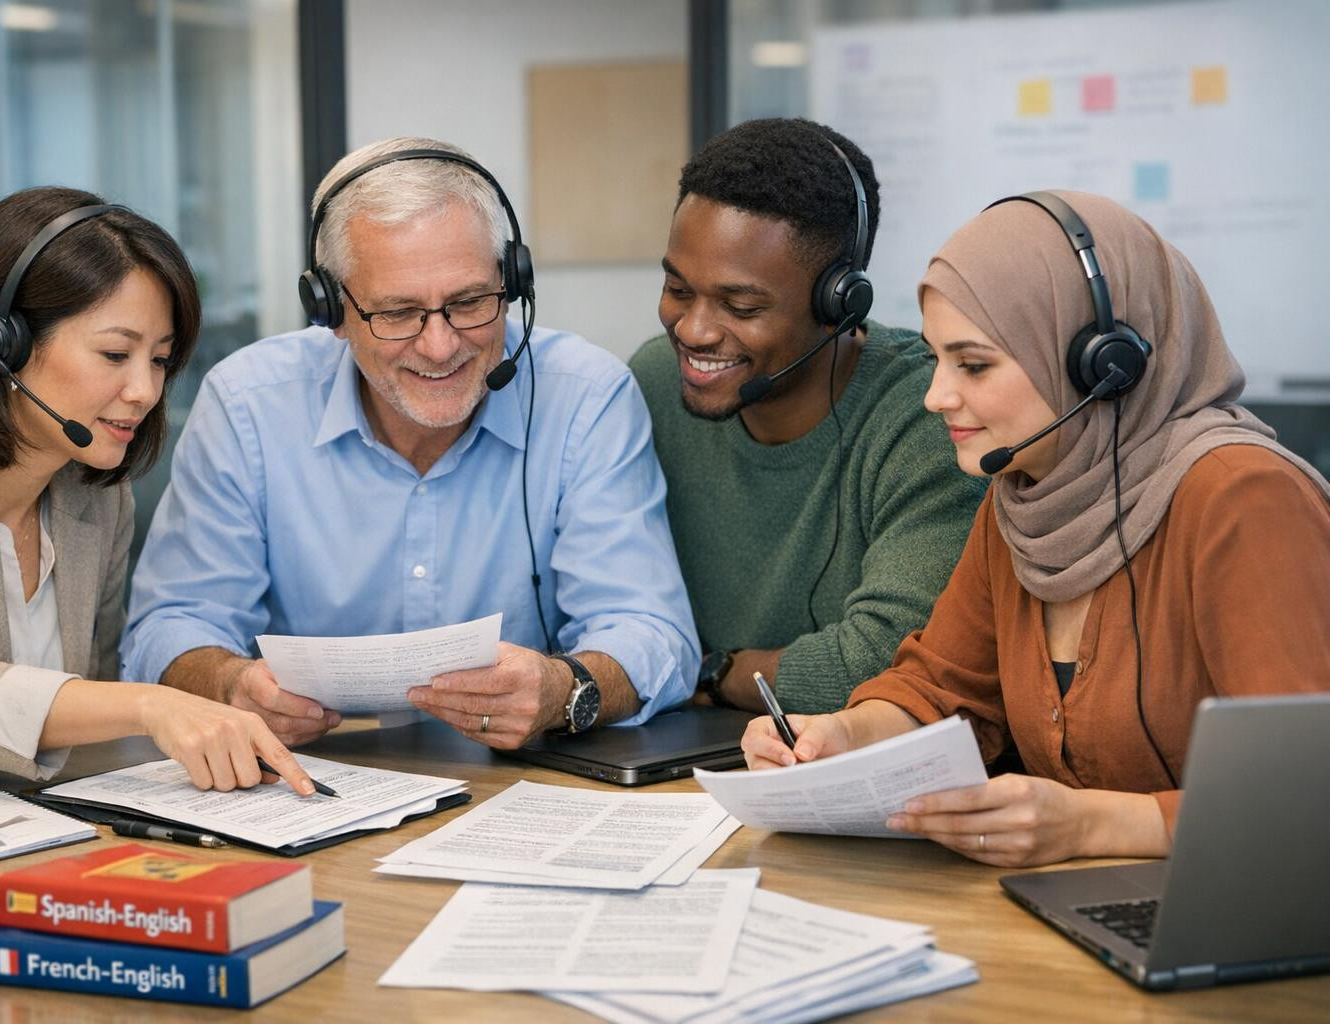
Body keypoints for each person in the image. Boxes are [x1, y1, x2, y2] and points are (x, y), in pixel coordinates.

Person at [742, 190, 1330, 866]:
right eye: (936, 359)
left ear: (1103, 366)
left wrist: (1089, 825)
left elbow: (1305, 791)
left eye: (975, 364)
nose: (937, 396)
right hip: (1074, 914)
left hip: (1239, 923)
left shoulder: (1243, 498)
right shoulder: (1020, 496)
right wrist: (843, 738)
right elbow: (944, 688)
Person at [122, 137, 698, 750]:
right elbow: (170, 627)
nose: (441, 345)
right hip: (309, 792)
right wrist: (232, 683)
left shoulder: (585, 396)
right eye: (398, 313)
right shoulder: (247, 405)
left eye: (470, 302)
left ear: (512, 282)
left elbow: (653, 635)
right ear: (330, 311)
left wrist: (565, 687)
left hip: (523, 787)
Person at [0, 186, 318, 795]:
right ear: (1, 343)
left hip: (32, 842)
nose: (145, 391)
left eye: (159, 361)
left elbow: (77, 727)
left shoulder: (93, 498)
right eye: (116, 353)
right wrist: (150, 705)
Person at [630, 118, 985, 715]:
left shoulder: (930, 417)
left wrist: (715, 670)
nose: (693, 330)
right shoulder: (653, 384)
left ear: (839, 304)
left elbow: (891, 660)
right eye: (678, 288)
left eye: (740, 306)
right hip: (677, 763)